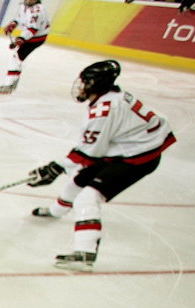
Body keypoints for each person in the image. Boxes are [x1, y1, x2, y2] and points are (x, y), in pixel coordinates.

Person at [26, 60, 176, 272]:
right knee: (79, 179)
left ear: (96, 84)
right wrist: (58, 168)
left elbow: (89, 153)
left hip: (137, 158)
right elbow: (91, 150)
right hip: (128, 147)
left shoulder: (103, 111)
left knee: (88, 197)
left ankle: (85, 252)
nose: (81, 86)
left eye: (86, 82)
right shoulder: (113, 96)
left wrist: (55, 168)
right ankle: (56, 211)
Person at [0, 0, 50, 94]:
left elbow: (33, 29)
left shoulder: (37, 11)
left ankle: (9, 84)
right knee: (17, 58)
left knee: (16, 58)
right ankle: (12, 82)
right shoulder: (23, 6)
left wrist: (21, 38)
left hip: (36, 38)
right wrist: (13, 24)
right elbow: (20, 17)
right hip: (30, 36)